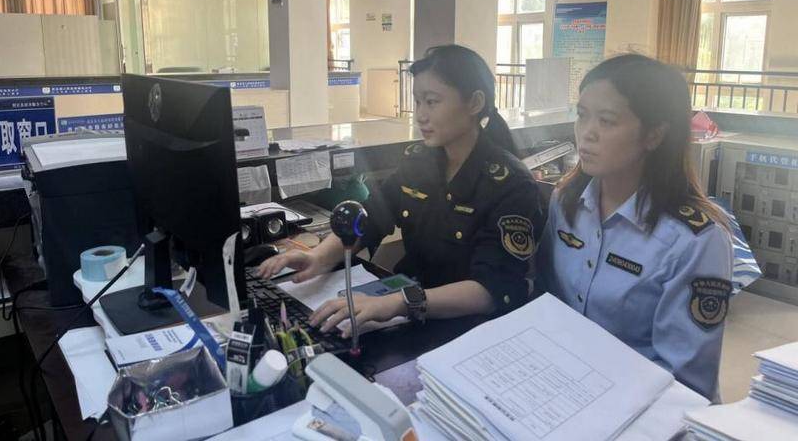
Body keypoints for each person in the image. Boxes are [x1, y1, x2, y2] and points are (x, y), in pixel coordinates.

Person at [259, 44, 544, 335]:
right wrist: (318, 257)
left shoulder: (511, 184)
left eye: (432, 102)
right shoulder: (419, 161)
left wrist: (398, 303)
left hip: (469, 327)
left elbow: (490, 290)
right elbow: (371, 217)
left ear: (474, 103)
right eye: (417, 101)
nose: (420, 115)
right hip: (409, 308)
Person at [539, 54, 733, 401]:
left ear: (654, 135)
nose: (587, 133)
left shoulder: (695, 240)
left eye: (607, 121)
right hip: (562, 388)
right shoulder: (566, 202)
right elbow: (547, 305)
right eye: (582, 115)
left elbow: (685, 380)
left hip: (643, 408)